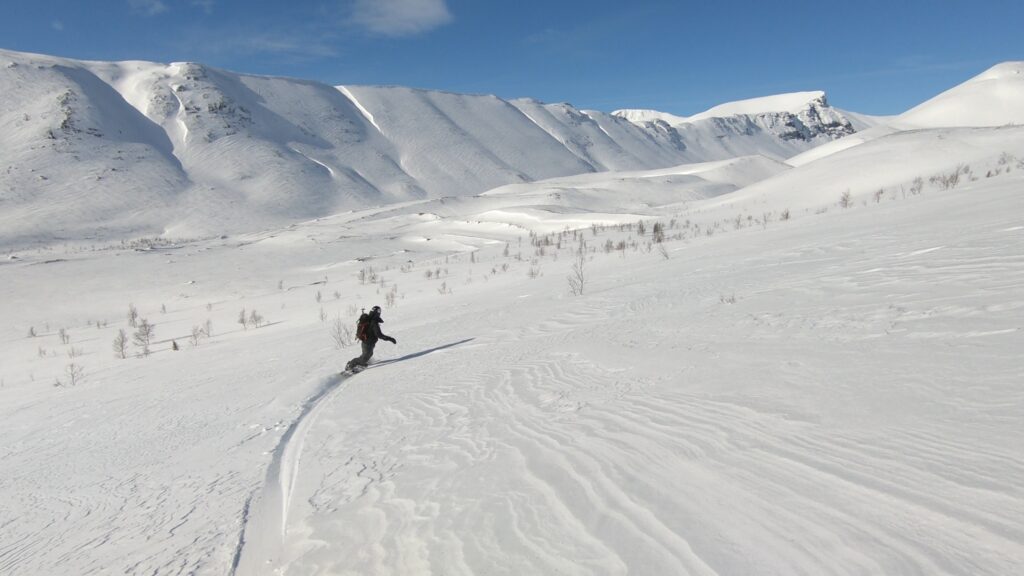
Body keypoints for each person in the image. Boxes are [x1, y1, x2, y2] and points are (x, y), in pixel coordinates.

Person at [346, 305, 396, 371]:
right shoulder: (373, 322)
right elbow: (379, 335)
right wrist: (390, 339)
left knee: (368, 355)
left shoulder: (370, 319)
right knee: (364, 357)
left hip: (367, 343)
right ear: (378, 312)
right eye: (379, 312)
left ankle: (355, 364)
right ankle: (351, 365)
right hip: (367, 343)